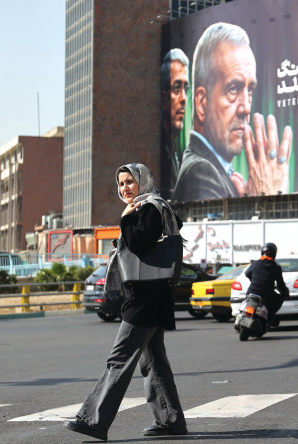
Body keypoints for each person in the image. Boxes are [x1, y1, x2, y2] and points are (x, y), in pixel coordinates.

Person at [65, 163, 187, 441]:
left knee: (119, 360)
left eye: (130, 182)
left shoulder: (151, 208)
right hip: (151, 297)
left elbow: (140, 243)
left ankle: (93, 420)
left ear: (142, 181)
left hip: (144, 300)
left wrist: (124, 220)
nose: (125, 188)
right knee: (154, 363)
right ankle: (171, 420)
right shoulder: (151, 207)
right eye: (121, 184)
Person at [173, 22, 293, 202]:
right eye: (234, 89)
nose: (246, 108)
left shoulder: (217, 171)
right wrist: (267, 197)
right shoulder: (201, 173)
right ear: (201, 103)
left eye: (250, 90)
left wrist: (246, 203)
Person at [161, 48, 190, 197]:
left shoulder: (174, 158)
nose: (184, 98)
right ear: (164, 98)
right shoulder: (158, 157)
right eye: (177, 88)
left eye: (186, 88)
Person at [244, 242, 289, 322]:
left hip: (252, 292)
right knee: (279, 299)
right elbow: (280, 284)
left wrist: (254, 280)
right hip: (267, 295)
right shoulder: (276, 267)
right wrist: (285, 293)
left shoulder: (254, 264)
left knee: (246, 299)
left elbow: (247, 274)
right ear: (274, 254)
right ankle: (269, 319)